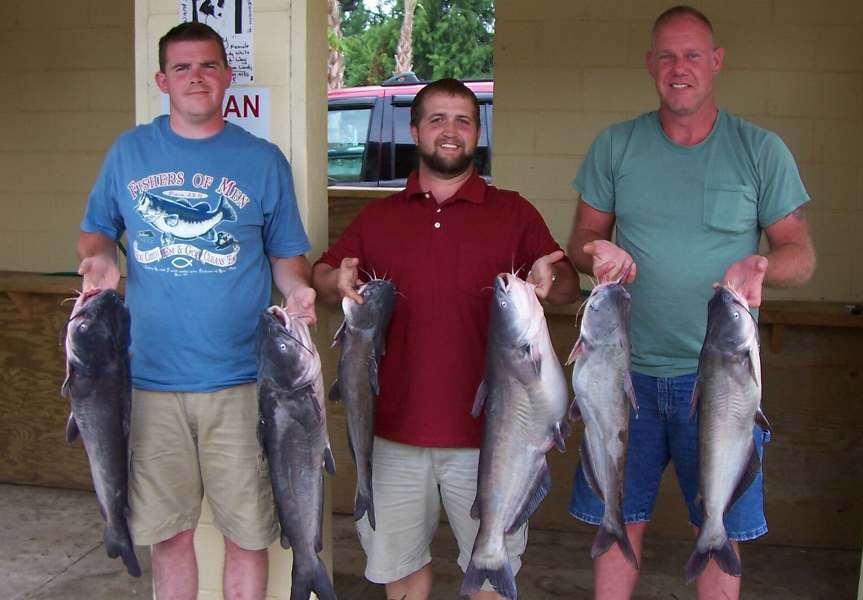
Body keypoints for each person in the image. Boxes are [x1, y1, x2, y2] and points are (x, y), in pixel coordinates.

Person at [566, 5, 816, 599]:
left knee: (719, 530)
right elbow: (579, 239)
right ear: (651, 64)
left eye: (693, 55)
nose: (680, 69)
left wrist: (763, 265)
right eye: (668, 56)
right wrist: (595, 250)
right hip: (624, 377)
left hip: (723, 382)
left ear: (717, 63)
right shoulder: (616, 145)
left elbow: (800, 255)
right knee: (619, 521)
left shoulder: (760, 150)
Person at [313, 78, 580, 600]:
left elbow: (566, 284)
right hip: (393, 436)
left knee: (489, 580)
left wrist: (556, 277)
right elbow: (325, 280)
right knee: (402, 574)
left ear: (478, 133)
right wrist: (336, 281)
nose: (450, 131)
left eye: (463, 120)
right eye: (437, 119)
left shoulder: (513, 212)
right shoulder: (379, 217)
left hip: (494, 439)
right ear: (414, 131)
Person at [77, 22, 316, 600]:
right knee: (170, 537)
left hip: (243, 381)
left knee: (247, 536)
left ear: (227, 78)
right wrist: (101, 262)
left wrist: (299, 291)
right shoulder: (129, 152)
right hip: (149, 378)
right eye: (182, 67)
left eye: (208, 65)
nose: (196, 77)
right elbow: (94, 236)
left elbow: (288, 259)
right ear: (162, 80)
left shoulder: (262, 160)